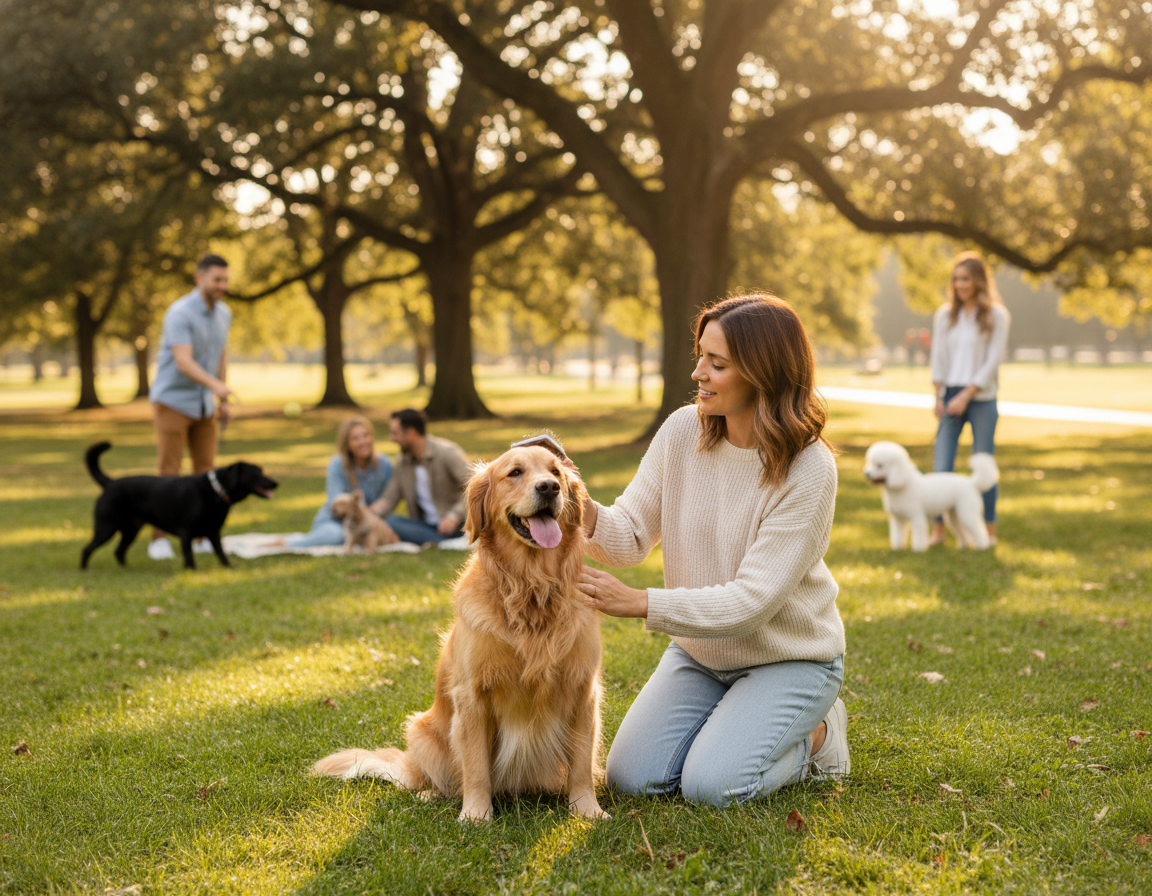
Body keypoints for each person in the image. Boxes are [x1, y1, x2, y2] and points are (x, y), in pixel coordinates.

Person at [574, 294, 849, 807]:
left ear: (762, 373)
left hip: (788, 658)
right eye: (700, 355)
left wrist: (641, 603)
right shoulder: (683, 430)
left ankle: (819, 739)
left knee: (714, 787)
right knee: (632, 777)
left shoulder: (809, 469)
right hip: (700, 653)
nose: (698, 372)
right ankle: (737, 717)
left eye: (716, 363)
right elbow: (629, 533)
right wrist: (577, 501)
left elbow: (752, 603)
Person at [147, 254, 235, 561]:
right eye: (217, 280)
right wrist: (215, 386)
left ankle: (201, 536)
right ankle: (158, 539)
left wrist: (222, 399)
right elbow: (184, 361)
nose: (222, 286)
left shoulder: (225, 313)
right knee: (169, 473)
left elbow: (220, 356)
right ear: (200, 278)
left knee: (207, 474)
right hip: (172, 399)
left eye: (225, 280)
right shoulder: (179, 313)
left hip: (203, 404)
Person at [928, 251, 1010, 546]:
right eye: (956, 279)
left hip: (982, 398)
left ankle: (988, 529)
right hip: (949, 395)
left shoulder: (996, 315)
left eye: (966, 279)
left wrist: (967, 394)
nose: (960, 285)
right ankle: (938, 531)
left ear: (978, 281)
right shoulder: (944, 315)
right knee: (942, 464)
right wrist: (939, 394)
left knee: (983, 463)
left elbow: (992, 361)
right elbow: (938, 358)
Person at [286, 416, 393, 548]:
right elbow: (335, 500)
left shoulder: (385, 464)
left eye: (365, 435)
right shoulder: (337, 464)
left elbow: (388, 498)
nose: (363, 442)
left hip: (369, 521)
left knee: (389, 528)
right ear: (347, 444)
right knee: (338, 536)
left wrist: (371, 516)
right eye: (356, 438)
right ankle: (288, 543)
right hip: (337, 520)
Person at [368, 408, 471, 546]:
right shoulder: (402, 462)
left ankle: (446, 542)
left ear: (411, 433)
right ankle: (444, 543)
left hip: (458, 525)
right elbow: (389, 497)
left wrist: (454, 516)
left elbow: (475, 488)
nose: (391, 438)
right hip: (426, 526)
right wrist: (370, 513)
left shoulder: (447, 453)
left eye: (395, 433)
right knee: (392, 522)